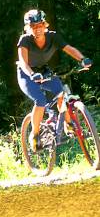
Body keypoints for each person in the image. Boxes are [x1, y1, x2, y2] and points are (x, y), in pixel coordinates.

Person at [17, 9, 92, 152]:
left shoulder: (53, 37)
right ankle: (35, 134)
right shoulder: (25, 40)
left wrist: (82, 59)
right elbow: (23, 62)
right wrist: (32, 75)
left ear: (45, 25)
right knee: (40, 101)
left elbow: (69, 49)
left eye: (40, 25)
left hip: (43, 71)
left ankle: (67, 123)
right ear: (28, 28)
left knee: (60, 93)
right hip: (26, 74)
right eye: (34, 26)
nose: (37, 29)